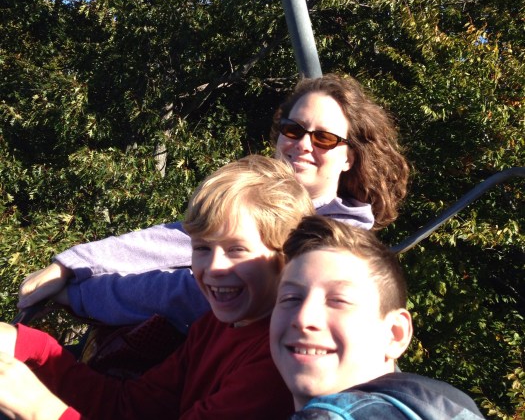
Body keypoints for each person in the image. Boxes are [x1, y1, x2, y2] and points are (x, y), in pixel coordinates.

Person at [17, 73, 409, 331]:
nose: (303, 144)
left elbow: (190, 294)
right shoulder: (256, 196)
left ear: (349, 157)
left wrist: (77, 295)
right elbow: (174, 239)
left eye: (324, 138)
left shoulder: (335, 241)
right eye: (293, 129)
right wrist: (70, 264)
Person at [0, 155, 314, 420]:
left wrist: (40, 409)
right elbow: (131, 406)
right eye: (202, 248)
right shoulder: (213, 326)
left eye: (237, 250)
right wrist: (32, 348)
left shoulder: (278, 363)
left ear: (287, 259)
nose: (213, 267)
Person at [270, 215, 485, 419]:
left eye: (338, 300)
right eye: (290, 298)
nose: (303, 318)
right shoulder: (445, 405)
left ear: (395, 334)